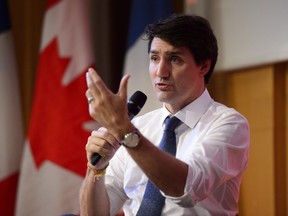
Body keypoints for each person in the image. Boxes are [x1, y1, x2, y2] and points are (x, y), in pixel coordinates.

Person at [80, 14, 250, 216]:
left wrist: (125, 131)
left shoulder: (229, 124)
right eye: (154, 58)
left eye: (175, 59)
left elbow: (186, 189)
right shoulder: (138, 127)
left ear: (203, 66)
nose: (161, 71)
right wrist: (95, 169)